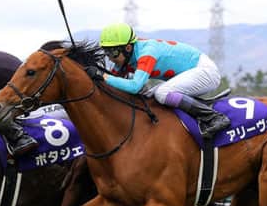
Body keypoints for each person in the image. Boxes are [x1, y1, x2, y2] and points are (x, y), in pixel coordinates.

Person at [95, 23, 230, 139]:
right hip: (191, 73)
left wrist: (103, 76)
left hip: (206, 72)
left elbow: (134, 86)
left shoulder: (147, 52)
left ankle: (213, 117)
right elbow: (110, 82)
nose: (110, 58)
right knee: (149, 95)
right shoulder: (126, 57)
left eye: (113, 52)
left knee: (162, 93)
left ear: (128, 48)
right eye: (107, 52)